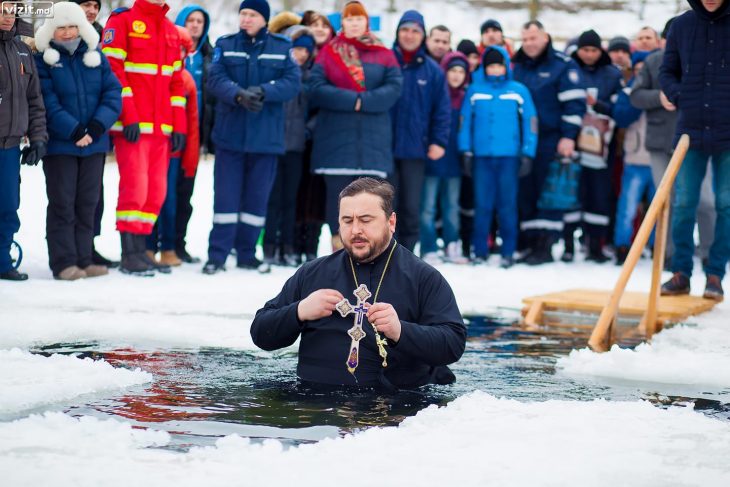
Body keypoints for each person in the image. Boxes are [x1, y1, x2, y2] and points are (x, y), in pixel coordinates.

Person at [251, 177, 466, 390]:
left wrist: (401, 331)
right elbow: (261, 333)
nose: (355, 230)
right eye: (347, 220)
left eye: (365, 220)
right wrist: (298, 312)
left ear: (391, 222)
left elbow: (453, 344)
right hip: (316, 407)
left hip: (393, 410)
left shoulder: (423, 277)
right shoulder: (312, 273)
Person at [203, 0, 300, 274]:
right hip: (230, 136)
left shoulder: (282, 47)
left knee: (256, 200)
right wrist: (238, 94)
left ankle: (246, 253)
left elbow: (292, 82)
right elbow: (215, 79)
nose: (246, 18)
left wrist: (264, 91)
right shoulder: (225, 43)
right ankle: (217, 255)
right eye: (243, 13)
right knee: (225, 199)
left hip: (266, 138)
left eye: (252, 14)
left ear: (264, 19)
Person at [34, 2, 122, 280]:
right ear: (51, 30)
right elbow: (46, 101)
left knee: (88, 204)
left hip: (94, 144)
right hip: (62, 145)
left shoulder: (96, 56)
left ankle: (84, 258)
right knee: (63, 203)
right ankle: (64, 262)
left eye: (73, 26)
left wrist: (95, 128)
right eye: (61, 27)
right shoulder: (43, 61)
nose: (69, 32)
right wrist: (74, 131)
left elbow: (112, 93)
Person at [102, 0, 188, 276]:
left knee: (155, 192)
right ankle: (130, 253)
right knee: (134, 189)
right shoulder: (122, 20)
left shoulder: (169, 29)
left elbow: (176, 82)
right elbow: (113, 72)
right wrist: (128, 115)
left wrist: (179, 126)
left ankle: (142, 250)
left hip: (162, 128)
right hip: (134, 126)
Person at [308, 1, 402, 251]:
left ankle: (373, 252)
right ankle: (339, 252)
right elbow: (316, 88)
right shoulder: (329, 52)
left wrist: (365, 101)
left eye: (358, 18)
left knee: (372, 203)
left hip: (373, 144)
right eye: (349, 19)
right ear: (342, 23)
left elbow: (394, 88)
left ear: (366, 22)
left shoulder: (383, 53)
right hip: (335, 143)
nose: (354, 23)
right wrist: (354, 101)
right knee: (338, 203)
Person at [658, 0, 730, 300]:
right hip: (690, 130)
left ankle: (715, 274)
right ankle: (681, 273)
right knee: (684, 203)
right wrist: (679, 94)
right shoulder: (681, 26)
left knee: (725, 204)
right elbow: (667, 71)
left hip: (728, 133)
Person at [631, 17, 715, 269]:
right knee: (666, 200)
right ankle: (670, 253)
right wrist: (658, 96)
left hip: (698, 141)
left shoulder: (705, 61)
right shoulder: (653, 62)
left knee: (705, 200)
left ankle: (709, 251)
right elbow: (635, 96)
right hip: (660, 143)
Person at [512, 20, 586, 265]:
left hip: (551, 139)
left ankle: (545, 244)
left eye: (533, 38)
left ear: (546, 37)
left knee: (548, 193)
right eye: (525, 39)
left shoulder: (562, 65)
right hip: (522, 141)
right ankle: (529, 242)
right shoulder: (516, 65)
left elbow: (575, 104)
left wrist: (568, 136)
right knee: (526, 191)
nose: (529, 44)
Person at [459, 46, 537, 268]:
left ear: (506, 66)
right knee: (482, 205)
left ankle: (508, 251)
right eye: (491, 66)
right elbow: (464, 122)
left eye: (499, 65)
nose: (495, 70)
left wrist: (528, 153)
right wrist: (465, 150)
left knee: (507, 206)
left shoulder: (518, 91)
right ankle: (480, 250)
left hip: (509, 158)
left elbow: (531, 123)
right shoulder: (475, 91)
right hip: (482, 158)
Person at [390, 9, 451, 253]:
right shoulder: (386, 61)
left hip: (416, 150)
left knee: (411, 209)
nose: (409, 35)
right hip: (384, 149)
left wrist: (438, 141)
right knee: (385, 208)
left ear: (423, 36)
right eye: (405, 29)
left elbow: (442, 111)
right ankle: (383, 257)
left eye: (415, 31)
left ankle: (406, 258)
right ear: (397, 33)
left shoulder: (433, 71)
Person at [564, 29, 622, 263]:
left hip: (601, 147)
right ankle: (569, 243)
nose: (589, 54)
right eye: (585, 49)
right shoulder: (569, 70)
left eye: (593, 50)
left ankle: (595, 245)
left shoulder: (611, 74)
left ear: (600, 51)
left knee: (599, 195)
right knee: (571, 194)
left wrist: (597, 105)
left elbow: (619, 108)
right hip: (574, 142)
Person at [261, 22, 316, 272]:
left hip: (296, 147)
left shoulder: (312, 76)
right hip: (272, 144)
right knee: (272, 199)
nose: (301, 54)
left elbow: (318, 110)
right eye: (297, 48)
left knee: (291, 199)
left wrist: (307, 130)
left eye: (306, 49)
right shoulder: (276, 73)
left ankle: (288, 247)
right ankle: (270, 247)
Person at [146, 26, 200, 267]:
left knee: (167, 200)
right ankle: (146, 247)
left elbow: (192, 122)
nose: (175, 53)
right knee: (147, 197)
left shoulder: (186, 79)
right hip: (150, 143)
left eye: (180, 50)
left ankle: (167, 248)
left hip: (174, 151)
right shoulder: (152, 73)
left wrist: (189, 154)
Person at [0, 10, 47, 281]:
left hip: (10, 147)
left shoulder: (22, 50)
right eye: (2, 11)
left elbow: (35, 100)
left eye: (12, 12)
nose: (8, 17)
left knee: (7, 206)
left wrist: (38, 138)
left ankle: (3, 261)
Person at [73, 0, 115, 268]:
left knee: (94, 196)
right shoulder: (59, 37)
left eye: (94, 5)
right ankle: (70, 250)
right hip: (68, 132)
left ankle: (89, 245)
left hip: (96, 130)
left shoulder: (103, 38)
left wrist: (100, 123)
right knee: (67, 197)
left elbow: (110, 86)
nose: (91, 10)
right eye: (84, 4)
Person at [420, 52, 470, 265]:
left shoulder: (466, 97)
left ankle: (452, 245)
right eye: (453, 71)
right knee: (428, 208)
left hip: (454, 164)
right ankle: (429, 247)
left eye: (461, 71)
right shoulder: (435, 94)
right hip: (432, 161)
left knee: (451, 207)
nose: (457, 76)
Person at [174, 4, 215, 264]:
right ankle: (156, 243)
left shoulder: (210, 55)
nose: (196, 24)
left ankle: (179, 243)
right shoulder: (169, 49)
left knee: (185, 194)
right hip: (170, 132)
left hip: (195, 134)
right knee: (163, 193)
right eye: (191, 20)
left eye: (200, 20)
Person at [612, 51, 656, 265]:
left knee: (659, 209)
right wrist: (636, 100)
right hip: (635, 159)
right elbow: (620, 117)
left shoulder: (663, 90)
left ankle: (658, 247)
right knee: (627, 207)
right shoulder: (627, 92)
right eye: (638, 69)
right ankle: (622, 246)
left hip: (660, 158)